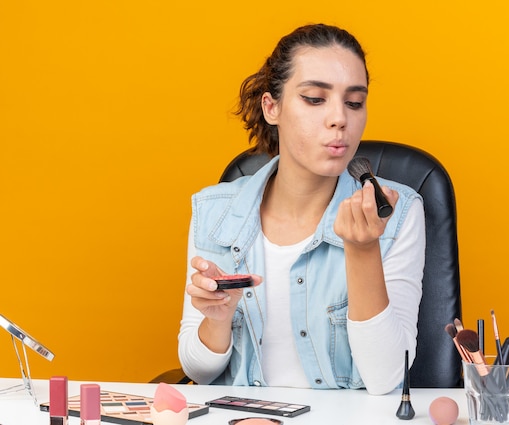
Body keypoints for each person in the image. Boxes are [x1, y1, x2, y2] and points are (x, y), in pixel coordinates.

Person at [178, 23, 425, 395]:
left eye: (354, 102)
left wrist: (362, 250)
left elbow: (387, 379)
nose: (340, 118)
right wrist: (218, 318)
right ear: (271, 107)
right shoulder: (215, 214)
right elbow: (199, 372)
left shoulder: (396, 211)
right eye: (314, 98)